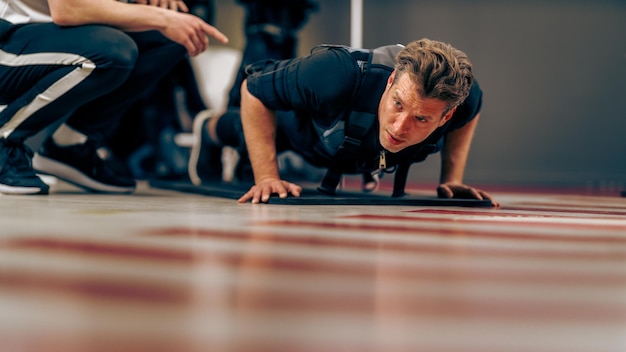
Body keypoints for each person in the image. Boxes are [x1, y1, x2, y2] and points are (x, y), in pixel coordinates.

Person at [189, 38, 499, 206]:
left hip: (353, 152)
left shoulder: (464, 100)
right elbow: (253, 90)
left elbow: (470, 115)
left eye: (421, 118)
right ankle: (208, 130)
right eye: (398, 104)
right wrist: (267, 176)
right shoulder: (334, 73)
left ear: (446, 116)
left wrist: (452, 178)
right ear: (391, 81)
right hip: (301, 130)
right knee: (242, 131)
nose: (400, 127)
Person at [0, 0, 228, 195]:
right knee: (114, 49)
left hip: (45, 37)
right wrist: (162, 17)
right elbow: (68, 8)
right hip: (8, 40)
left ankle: (69, 142)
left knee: (170, 37)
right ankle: (5, 141)